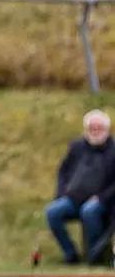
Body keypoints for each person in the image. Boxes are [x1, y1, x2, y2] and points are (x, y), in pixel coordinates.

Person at [45, 109, 115, 265]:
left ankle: (94, 256)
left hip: (103, 201)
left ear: (107, 130)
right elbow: (63, 172)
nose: (95, 131)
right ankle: (71, 255)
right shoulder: (76, 147)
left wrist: (101, 198)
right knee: (52, 212)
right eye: (91, 128)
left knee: (89, 211)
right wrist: (61, 193)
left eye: (99, 128)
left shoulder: (113, 150)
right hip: (73, 198)